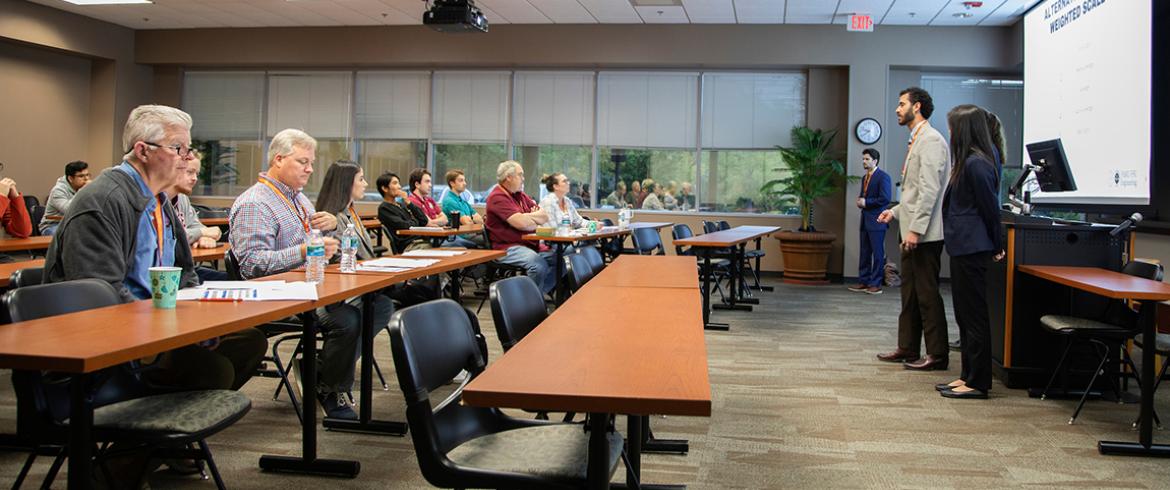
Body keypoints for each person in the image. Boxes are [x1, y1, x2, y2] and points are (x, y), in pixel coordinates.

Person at [44, 104, 264, 392]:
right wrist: (171, 330)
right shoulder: (102, 201)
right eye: (177, 148)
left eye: (188, 149)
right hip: (110, 337)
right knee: (213, 370)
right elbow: (100, 294)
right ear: (143, 150)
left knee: (248, 341)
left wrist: (195, 321)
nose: (187, 159)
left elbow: (185, 274)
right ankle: (141, 430)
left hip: (155, 325)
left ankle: (163, 417)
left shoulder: (159, 200)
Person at [230, 128, 375, 420]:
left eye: (311, 162)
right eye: (303, 162)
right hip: (275, 297)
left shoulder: (299, 199)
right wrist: (303, 252)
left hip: (310, 288)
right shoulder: (255, 203)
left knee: (379, 304)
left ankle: (325, 367)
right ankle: (327, 387)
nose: (310, 169)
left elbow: (316, 243)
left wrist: (331, 232)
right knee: (347, 320)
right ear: (279, 159)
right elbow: (251, 265)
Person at [876, 87, 951, 371]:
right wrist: (894, 212)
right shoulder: (916, 139)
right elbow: (913, 192)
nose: (897, 109)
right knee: (909, 295)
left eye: (901, 104)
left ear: (916, 107)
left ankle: (937, 355)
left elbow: (931, 191)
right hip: (911, 231)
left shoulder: (931, 140)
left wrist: (916, 231)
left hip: (924, 236)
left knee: (927, 295)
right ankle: (907, 348)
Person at [936, 105, 1005, 400]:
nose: (949, 133)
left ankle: (978, 382)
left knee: (974, 316)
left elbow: (991, 209)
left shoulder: (978, 164)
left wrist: (997, 243)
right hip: (964, 245)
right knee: (964, 315)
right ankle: (967, 375)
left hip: (974, 246)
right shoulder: (969, 162)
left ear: (962, 130)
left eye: (952, 128)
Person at [484, 160, 557, 294]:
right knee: (538, 265)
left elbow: (544, 216)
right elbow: (521, 224)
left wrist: (528, 217)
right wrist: (531, 217)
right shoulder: (497, 197)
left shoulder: (519, 194)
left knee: (559, 259)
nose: (523, 179)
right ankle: (529, 303)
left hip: (528, 244)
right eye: (520, 175)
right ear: (508, 177)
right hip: (507, 248)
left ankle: (537, 295)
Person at [169, 151, 228, 282]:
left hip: (183, 268)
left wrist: (203, 236)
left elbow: (195, 225)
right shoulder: (159, 200)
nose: (195, 178)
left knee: (233, 279)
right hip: (168, 271)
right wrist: (202, 232)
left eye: (197, 173)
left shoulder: (182, 198)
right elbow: (170, 236)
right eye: (189, 172)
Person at [849, 148, 892, 295]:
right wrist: (861, 201)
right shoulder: (864, 177)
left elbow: (885, 198)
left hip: (877, 220)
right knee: (865, 252)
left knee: (878, 253)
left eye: (867, 159)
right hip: (865, 220)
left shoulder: (883, 177)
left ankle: (876, 284)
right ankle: (864, 281)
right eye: (863, 159)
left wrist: (866, 202)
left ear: (875, 161)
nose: (864, 161)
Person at [376, 172, 432, 253]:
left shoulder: (402, 205)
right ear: (385, 188)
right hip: (409, 246)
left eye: (399, 183)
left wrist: (408, 202)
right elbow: (404, 226)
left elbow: (424, 220)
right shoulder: (384, 208)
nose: (399, 187)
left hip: (421, 242)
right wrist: (415, 221)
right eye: (395, 183)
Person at [40, 160, 91, 235]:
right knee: (72, 237)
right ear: (70, 178)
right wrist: (82, 191)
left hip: (74, 224)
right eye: (81, 176)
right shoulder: (58, 190)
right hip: (53, 225)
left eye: (87, 175)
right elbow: (69, 210)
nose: (86, 179)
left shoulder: (86, 189)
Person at [440, 169, 486, 248]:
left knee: (494, 237)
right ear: (452, 183)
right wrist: (472, 218)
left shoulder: (463, 201)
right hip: (461, 237)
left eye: (464, 180)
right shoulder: (449, 201)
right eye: (461, 181)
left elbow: (480, 220)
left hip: (471, 234)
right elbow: (467, 223)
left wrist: (470, 218)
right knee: (491, 240)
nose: (465, 183)